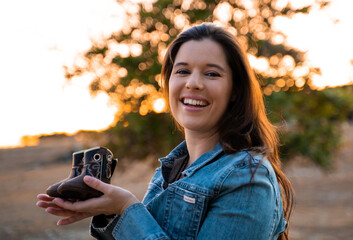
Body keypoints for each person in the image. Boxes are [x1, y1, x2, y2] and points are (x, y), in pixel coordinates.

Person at [37, 23, 294, 240]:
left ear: (235, 90)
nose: (193, 83)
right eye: (182, 71)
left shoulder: (246, 178)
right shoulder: (170, 169)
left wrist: (127, 208)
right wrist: (111, 212)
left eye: (212, 73)